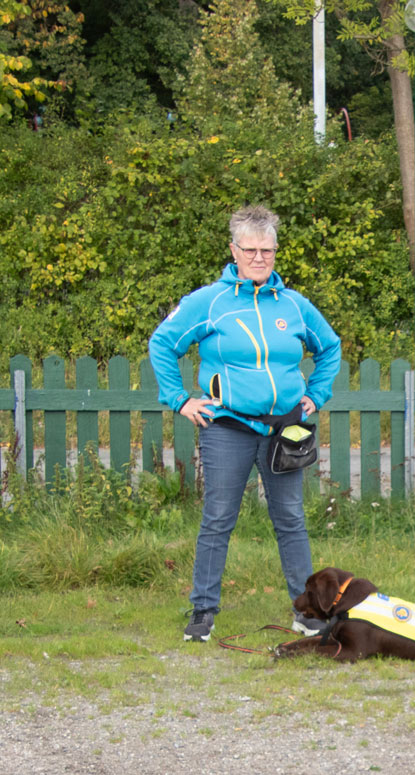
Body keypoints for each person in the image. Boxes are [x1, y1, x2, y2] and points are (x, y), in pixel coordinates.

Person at [149, 205, 341, 643]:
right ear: (233, 250)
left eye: (267, 250)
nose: (259, 258)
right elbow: (162, 343)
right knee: (218, 519)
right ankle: (202, 613)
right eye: (250, 249)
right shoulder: (209, 302)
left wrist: (316, 394)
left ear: (276, 251)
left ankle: (308, 614)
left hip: (285, 431)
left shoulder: (294, 305)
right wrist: (179, 399)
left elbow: (330, 348)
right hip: (227, 429)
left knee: (290, 519)